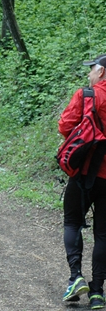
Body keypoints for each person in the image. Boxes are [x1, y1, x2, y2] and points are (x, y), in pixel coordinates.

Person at [59, 54, 106, 309]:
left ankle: (76, 278)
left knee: (73, 221)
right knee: (104, 235)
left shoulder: (87, 95)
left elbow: (65, 126)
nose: (89, 74)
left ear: (101, 73)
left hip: (84, 174)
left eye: (92, 70)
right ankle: (98, 292)